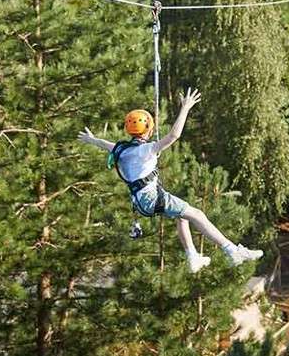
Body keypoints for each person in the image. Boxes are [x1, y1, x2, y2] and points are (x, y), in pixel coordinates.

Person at [78, 87, 263, 274]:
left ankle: (193, 257)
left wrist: (91, 139)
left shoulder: (122, 150)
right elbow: (174, 136)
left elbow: (105, 144)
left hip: (142, 202)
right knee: (198, 215)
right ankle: (232, 251)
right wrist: (185, 108)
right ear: (149, 129)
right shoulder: (146, 150)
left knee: (182, 217)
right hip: (152, 199)